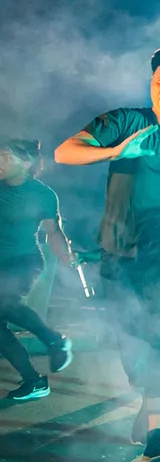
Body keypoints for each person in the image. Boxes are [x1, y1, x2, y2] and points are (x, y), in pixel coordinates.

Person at [54, 48, 160, 462]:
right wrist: (115, 152)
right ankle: (151, 402)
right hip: (115, 250)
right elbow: (65, 151)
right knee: (128, 341)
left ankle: (158, 437)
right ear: (152, 85)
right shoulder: (127, 122)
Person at [0, 139, 75, 400]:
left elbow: (53, 232)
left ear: (26, 163)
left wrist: (67, 258)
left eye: (7, 156)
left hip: (23, 262)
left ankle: (54, 339)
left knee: (4, 303)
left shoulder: (42, 194)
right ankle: (33, 381)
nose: (0, 160)